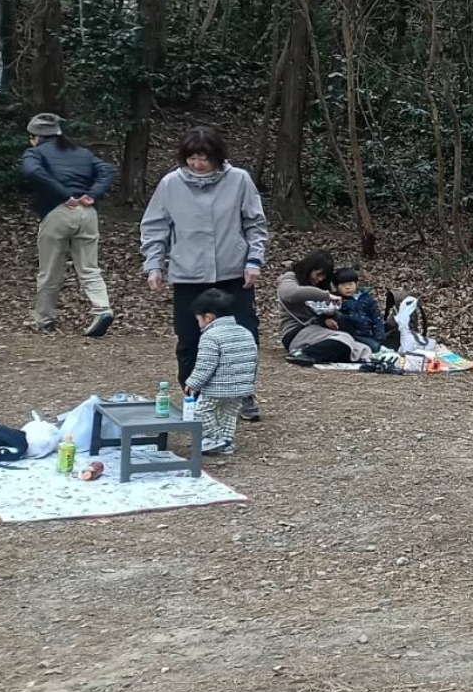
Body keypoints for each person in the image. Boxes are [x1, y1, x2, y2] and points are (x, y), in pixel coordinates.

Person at [140, 127, 268, 419]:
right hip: (188, 274)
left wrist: (254, 261)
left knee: (242, 336)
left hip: (233, 272)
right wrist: (154, 265)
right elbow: (155, 227)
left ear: (217, 158)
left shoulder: (239, 180)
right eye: (192, 158)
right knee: (189, 338)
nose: (197, 164)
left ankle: (241, 394)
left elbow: (255, 224)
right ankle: (193, 396)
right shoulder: (170, 184)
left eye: (204, 158)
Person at [21, 112, 116, 336]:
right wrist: (92, 194)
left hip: (57, 212)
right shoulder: (81, 152)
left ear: (35, 136)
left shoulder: (34, 153)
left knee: (50, 270)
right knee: (90, 267)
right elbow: (106, 170)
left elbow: (32, 171)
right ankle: (102, 308)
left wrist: (64, 195)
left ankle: (45, 319)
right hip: (87, 212)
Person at [186, 287, 260, 457]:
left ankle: (213, 438)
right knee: (229, 414)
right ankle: (226, 443)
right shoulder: (245, 332)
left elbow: (205, 365)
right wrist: (249, 383)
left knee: (202, 411)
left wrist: (193, 383)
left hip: (217, 387)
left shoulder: (211, 336)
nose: (198, 324)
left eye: (198, 319)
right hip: (241, 387)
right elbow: (254, 360)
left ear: (208, 317)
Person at [276, 251, 378, 364]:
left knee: (362, 349)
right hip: (296, 332)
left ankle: (314, 354)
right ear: (309, 268)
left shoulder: (319, 284)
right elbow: (289, 293)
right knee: (343, 340)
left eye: (324, 276)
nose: (320, 279)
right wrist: (325, 296)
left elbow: (319, 311)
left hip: (317, 329)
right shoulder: (290, 278)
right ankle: (304, 354)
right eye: (318, 274)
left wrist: (326, 318)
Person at [331, 267, 385, 351]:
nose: (347, 287)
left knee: (376, 346)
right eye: (343, 285)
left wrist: (379, 336)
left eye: (350, 284)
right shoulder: (336, 300)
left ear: (356, 284)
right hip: (349, 335)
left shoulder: (366, 298)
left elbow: (376, 317)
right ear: (336, 287)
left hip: (367, 333)